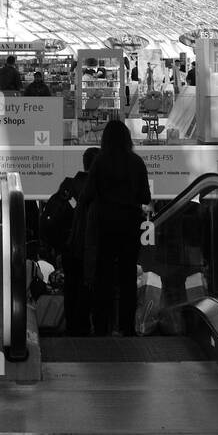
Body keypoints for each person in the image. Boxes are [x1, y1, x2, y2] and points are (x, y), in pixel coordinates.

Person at [81, 117, 152, 337]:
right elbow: (145, 196)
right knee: (128, 276)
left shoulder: (100, 162)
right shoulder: (137, 162)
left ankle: (102, 325)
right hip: (130, 224)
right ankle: (126, 326)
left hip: (105, 224)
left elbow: (88, 194)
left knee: (104, 277)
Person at [63, 147, 99, 336]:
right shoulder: (98, 190)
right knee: (88, 289)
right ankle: (85, 329)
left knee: (71, 289)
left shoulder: (69, 185)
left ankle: (71, 328)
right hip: (89, 248)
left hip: (70, 247)